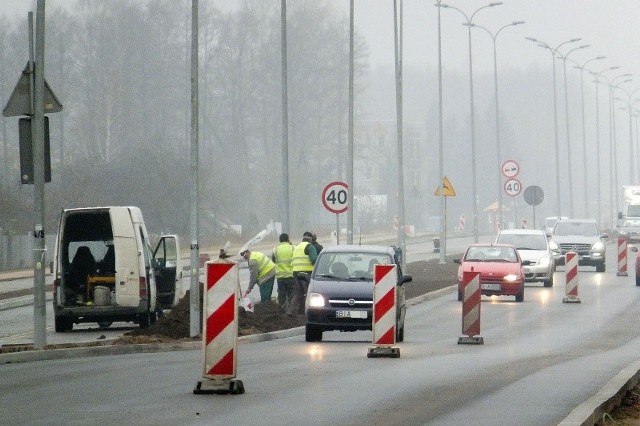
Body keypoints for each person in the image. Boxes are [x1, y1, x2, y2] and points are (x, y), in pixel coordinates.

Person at [287, 231, 318, 316]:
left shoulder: (297, 247)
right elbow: (313, 260)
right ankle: (309, 312)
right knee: (309, 292)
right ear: (311, 239)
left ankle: (291, 311)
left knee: (298, 293)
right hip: (306, 273)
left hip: (296, 273)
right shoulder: (310, 247)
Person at [272, 233, 295, 310]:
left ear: (280, 240)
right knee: (291, 295)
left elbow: (273, 260)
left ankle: (281, 310)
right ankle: (291, 311)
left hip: (280, 277)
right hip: (291, 276)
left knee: (281, 295)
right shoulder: (293, 248)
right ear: (288, 239)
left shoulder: (275, 249)